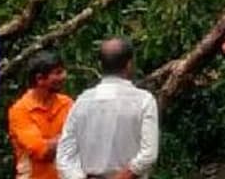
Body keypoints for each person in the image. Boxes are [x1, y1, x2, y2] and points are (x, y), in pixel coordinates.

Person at [57, 37, 159, 179]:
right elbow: (148, 154)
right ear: (129, 64)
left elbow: (64, 156)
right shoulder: (143, 101)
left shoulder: (82, 101)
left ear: (100, 64)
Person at [7, 51, 74, 179]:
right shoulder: (20, 111)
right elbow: (42, 152)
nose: (64, 76)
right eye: (58, 73)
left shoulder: (67, 103)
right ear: (40, 79)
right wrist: (72, 137)